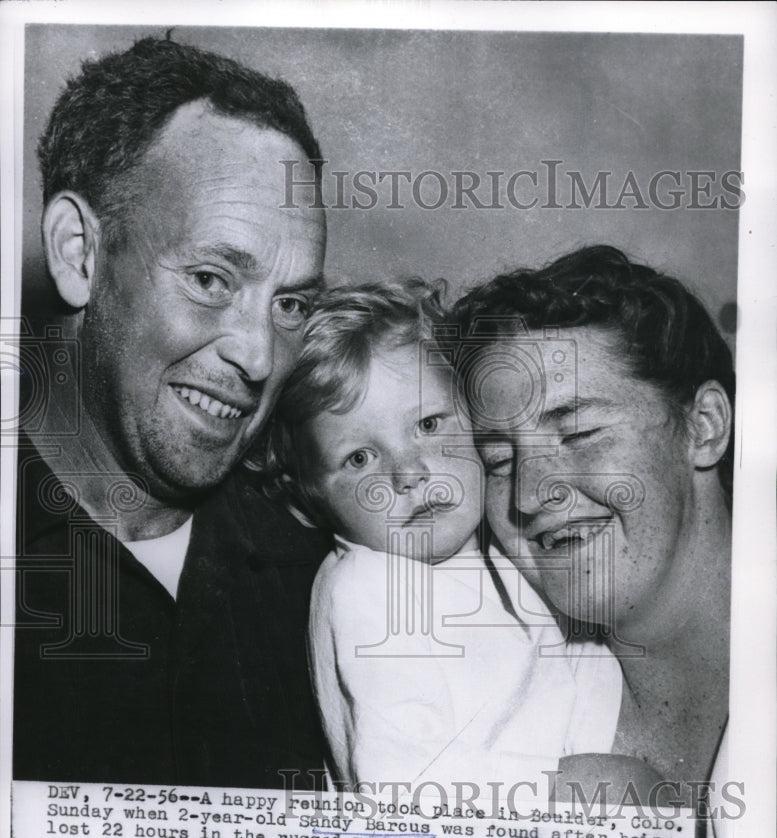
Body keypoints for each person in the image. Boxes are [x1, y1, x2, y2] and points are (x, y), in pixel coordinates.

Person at [14, 37, 330, 788]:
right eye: (212, 278)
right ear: (78, 253)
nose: (258, 355)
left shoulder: (320, 577)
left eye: (289, 304)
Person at [449, 244, 733, 838]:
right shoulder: (496, 713)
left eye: (576, 432)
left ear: (702, 427)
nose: (527, 494)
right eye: (497, 459)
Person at [259, 279, 622, 790]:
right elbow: (400, 781)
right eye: (360, 458)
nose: (409, 473)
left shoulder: (493, 555)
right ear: (307, 497)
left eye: (429, 424)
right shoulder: (368, 589)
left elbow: (569, 669)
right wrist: (570, 790)